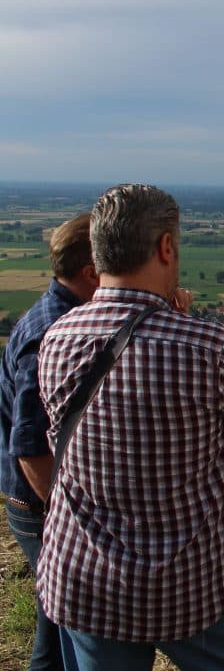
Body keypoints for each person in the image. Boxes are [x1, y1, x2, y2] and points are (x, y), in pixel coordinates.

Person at [36, 185, 224, 670]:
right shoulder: (209, 347)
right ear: (165, 247)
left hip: (87, 581)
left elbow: (62, 441)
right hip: (190, 584)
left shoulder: (56, 339)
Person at [0, 214, 98, 671]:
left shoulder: (61, 315)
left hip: (39, 500)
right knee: (68, 626)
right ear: (92, 273)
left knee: (56, 623)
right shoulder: (49, 333)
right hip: (38, 504)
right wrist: (64, 517)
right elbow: (29, 444)